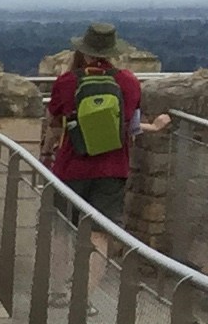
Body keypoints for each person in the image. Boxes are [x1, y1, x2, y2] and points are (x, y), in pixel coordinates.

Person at [47, 24, 146, 222]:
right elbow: (133, 126)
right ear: (112, 52)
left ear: (84, 51)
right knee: (102, 229)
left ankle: (66, 255)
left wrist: (46, 152)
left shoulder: (67, 81)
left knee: (64, 226)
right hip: (113, 167)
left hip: (71, 164)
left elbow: (54, 122)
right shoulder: (129, 81)